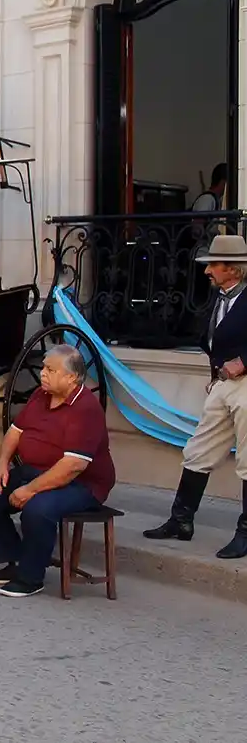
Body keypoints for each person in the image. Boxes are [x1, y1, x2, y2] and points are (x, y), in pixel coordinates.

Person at [0, 344, 116, 597]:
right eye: (43, 368)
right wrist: (1, 464)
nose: (42, 374)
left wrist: (29, 490)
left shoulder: (86, 409)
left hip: (83, 484)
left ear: (71, 377)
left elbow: (72, 467)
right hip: (35, 470)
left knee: (38, 509)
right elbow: (15, 432)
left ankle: (31, 577)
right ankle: (16, 562)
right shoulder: (41, 395)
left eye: (50, 370)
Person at [144, 234, 247, 560]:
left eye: (213, 265)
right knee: (199, 450)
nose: (207, 272)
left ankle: (245, 533)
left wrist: (243, 361)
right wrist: (215, 375)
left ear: (234, 269)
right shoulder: (220, 298)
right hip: (222, 385)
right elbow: (213, 341)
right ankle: (181, 520)